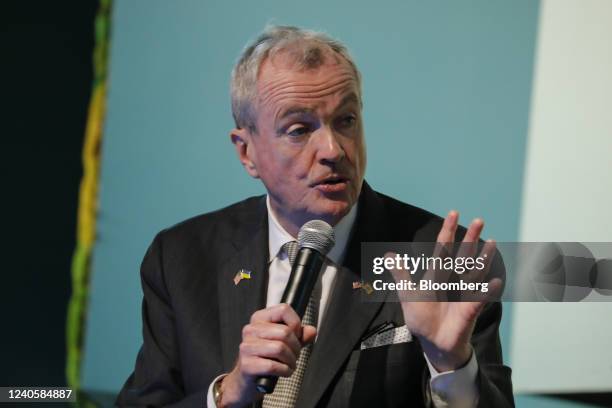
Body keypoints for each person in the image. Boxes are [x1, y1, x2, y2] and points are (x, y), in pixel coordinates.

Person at [116, 26, 513, 407]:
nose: (333, 150)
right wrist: (227, 394)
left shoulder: (443, 261)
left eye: (346, 121)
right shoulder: (182, 257)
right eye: (299, 129)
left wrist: (452, 366)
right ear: (246, 152)